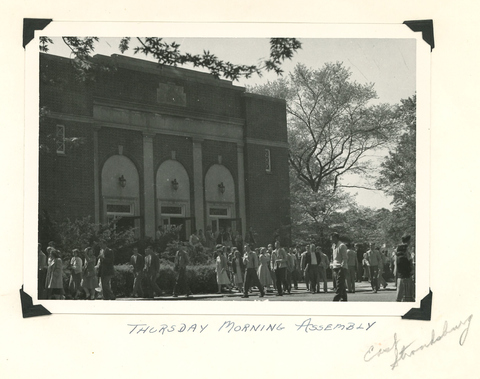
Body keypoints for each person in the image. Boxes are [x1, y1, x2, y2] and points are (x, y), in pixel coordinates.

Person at [331, 232, 348, 301]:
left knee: (339, 285)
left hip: (341, 267)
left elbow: (345, 258)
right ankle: (344, 299)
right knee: (342, 286)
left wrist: (342, 267)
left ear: (335, 238)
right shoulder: (333, 246)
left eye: (332, 238)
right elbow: (334, 257)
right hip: (335, 267)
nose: (331, 239)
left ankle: (335, 299)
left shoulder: (342, 246)